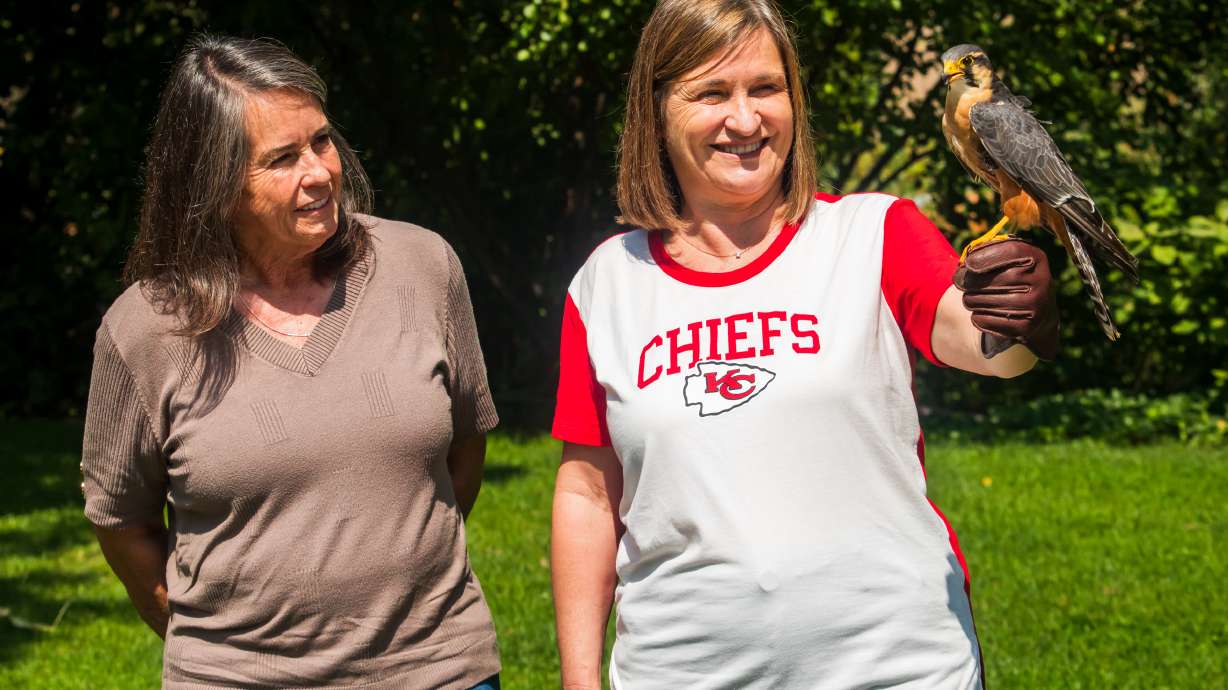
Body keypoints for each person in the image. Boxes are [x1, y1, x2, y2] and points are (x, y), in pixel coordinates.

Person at [550, 1, 1058, 688]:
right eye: (711, 93)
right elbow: (585, 494)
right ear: (658, 109)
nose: (745, 119)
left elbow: (977, 337)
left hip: (895, 667)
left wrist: (1020, 319)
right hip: (679, 671)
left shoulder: (874, 232)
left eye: (766, 88)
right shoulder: (607, 284)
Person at [81, 35, 501, 689]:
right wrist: (231, 653)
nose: (319, 173)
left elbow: (464, 452)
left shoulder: (422, 267)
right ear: (214, 186)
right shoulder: (143, 330)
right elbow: (123, 524)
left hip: (439, 670)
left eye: (322, 141)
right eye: (281, 159)